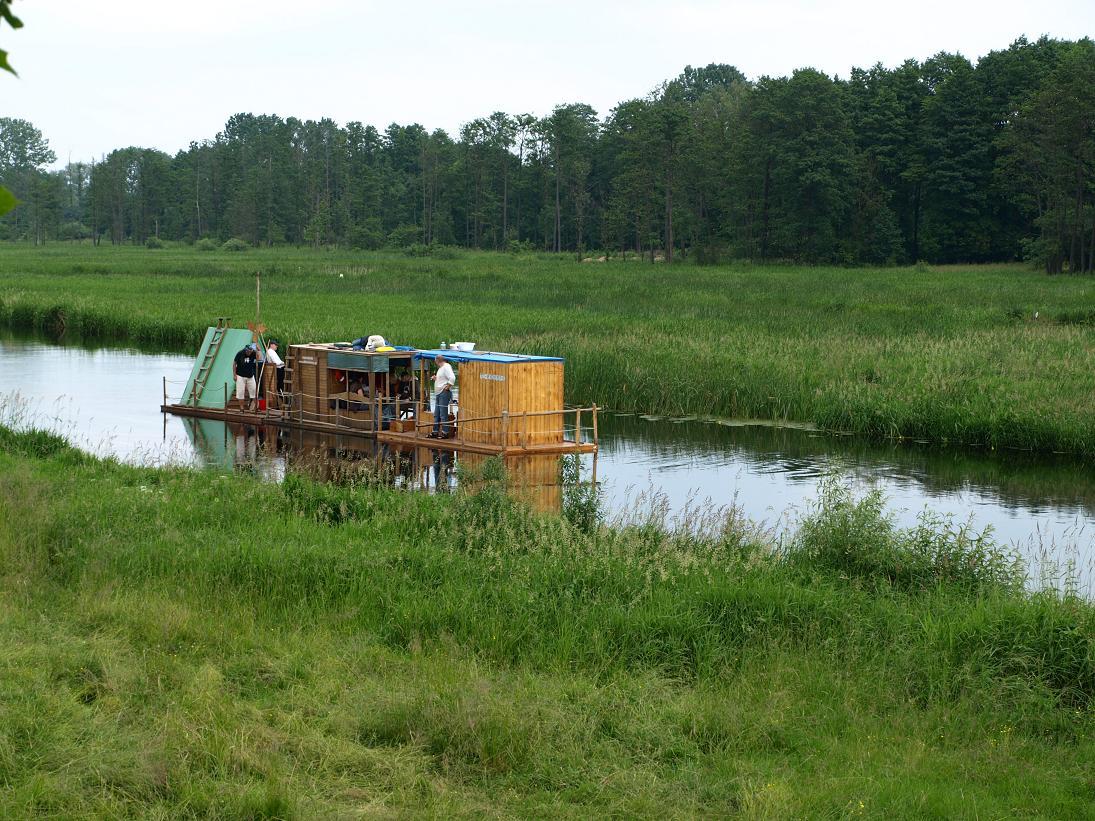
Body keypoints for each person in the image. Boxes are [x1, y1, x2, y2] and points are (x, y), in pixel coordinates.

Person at [429, 354, 456, 438]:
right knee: (436, 414)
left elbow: (452, 377)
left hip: (443, 393)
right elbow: (442, 380)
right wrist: (436, 378)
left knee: (443, 414)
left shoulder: (446, 366)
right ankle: (435, 432)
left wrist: (447, 387)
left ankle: (445, 432)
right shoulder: (441, 368)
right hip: (438, 393)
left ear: (437, 360)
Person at [233, 344, 259, 411]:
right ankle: (242, 408)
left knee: (254, 391)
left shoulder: (253, 353)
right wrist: (234, 375)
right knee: (240, 392)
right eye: (248, 351)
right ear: (245, 350)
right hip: (240, 375)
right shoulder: (240, 353)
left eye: (250, 351)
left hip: (250, 375)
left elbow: (259, 358)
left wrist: (258, 350)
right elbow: (234, 363)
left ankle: (257, 407)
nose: (249, 353)